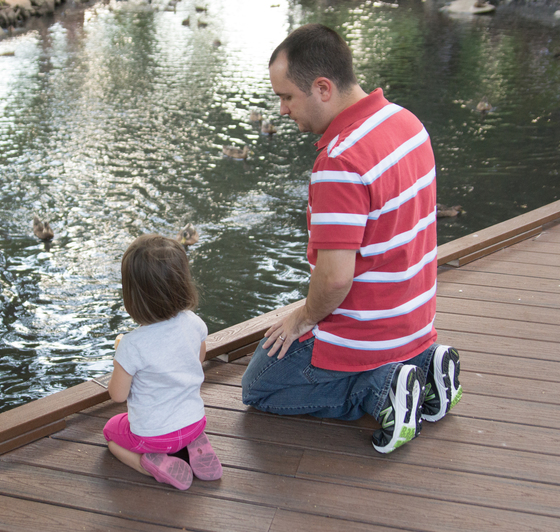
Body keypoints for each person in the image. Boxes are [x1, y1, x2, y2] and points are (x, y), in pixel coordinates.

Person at [241, 24, 462, 453]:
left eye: (287, 96)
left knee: (260, 386)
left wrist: (302, 317)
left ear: (322, 88)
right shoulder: (408, 122)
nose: (283, 110)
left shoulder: (340, 160)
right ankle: (425, 366)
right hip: (416, 324)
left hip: (365, 337)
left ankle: (380, 390)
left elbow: (336, 280)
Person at [104, 234, 222, 489]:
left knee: (111, 432)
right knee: (185, 427)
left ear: (133, 295)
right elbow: (198, 358)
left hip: (153, 436)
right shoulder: (193, 322)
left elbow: (117, 394)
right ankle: (195, 445)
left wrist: (120, 359)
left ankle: (148, 464)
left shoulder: (132, 345)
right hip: (195, 422)